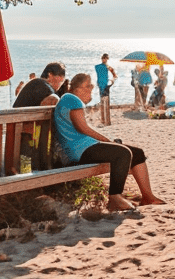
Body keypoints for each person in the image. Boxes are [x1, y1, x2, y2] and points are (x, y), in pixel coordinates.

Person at [43, 73, 164, 211]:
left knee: (137, 153)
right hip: (79, 151)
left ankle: (148, 197)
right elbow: (82, 128)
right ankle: (114, 199)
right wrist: (108, 141)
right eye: (89, 86)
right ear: (78, 88)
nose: (91, 90)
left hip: (85, 147)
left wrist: (109, 142)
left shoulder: (68, 99)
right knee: (123, 153)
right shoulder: (71, 99)